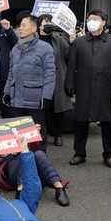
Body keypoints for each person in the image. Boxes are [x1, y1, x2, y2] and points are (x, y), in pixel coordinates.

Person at [67, 9, 111, 168]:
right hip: (84, 86)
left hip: (105, 88)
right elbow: (72, 65)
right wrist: (70, 84)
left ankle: (109, 154)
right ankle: (79, 153)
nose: (91, 21)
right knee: (81, 122)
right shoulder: (80, 41)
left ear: (104, 22)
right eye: (89, 19)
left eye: (95, 19)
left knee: (107, 123)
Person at [4, 14, 55, 150]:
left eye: (24, 25)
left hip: (35, 100)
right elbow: (11, 73)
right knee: (17, 133)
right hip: (17, 100)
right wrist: (7, 91)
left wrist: (46, 96)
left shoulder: (45, 48)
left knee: (38, 133)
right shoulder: (15, 48)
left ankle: (39, 159)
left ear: (34, 28)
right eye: (20, 25)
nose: (20, 28)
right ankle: (19, 161)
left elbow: (50, 74)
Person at [0, 149, 70, 206]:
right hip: (13, 177)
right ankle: (20, 191)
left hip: (34, 175)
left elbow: (34, 150)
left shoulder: (19, 136)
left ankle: (59, 188)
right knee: (24, 157)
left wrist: (35, 135)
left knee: (39, 153)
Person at [38, 17, 73, 147]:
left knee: (57, 109)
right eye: (46, 22)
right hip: (40, 79)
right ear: (39, 26)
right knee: (42, 109)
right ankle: (43, 135)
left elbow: (68, 55)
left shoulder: (58, 39)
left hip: (57, 79)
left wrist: (72, 42)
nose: (49, 25)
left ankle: (58, 135)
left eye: (51, 22)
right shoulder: (34, 40)